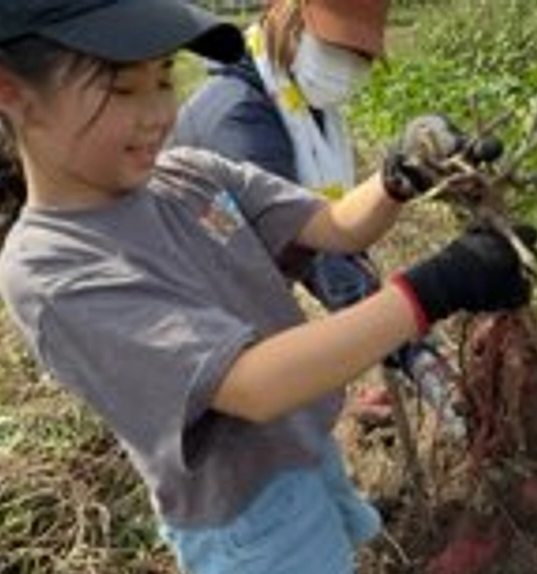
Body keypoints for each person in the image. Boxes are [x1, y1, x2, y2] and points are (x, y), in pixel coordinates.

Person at [0, 1, 534, 574]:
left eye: (162, 79)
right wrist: (432, 290)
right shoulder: (53, 270)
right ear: (8, 89)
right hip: (245, 510)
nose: (156, 112)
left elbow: (334, 227)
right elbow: (253, 384)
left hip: (298, 445)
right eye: (122, 87)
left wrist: (396, 178)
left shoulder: (186, 175)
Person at [173, 0, 467, 436]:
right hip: (205, 342)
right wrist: (410, 344)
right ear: (287, 17)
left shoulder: (303, 103)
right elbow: (319, 248)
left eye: (362, 57)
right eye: (337, 48)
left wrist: (404, 171)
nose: (349, 66)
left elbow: (335, 225)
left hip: (243, 304)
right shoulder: (239, 122)